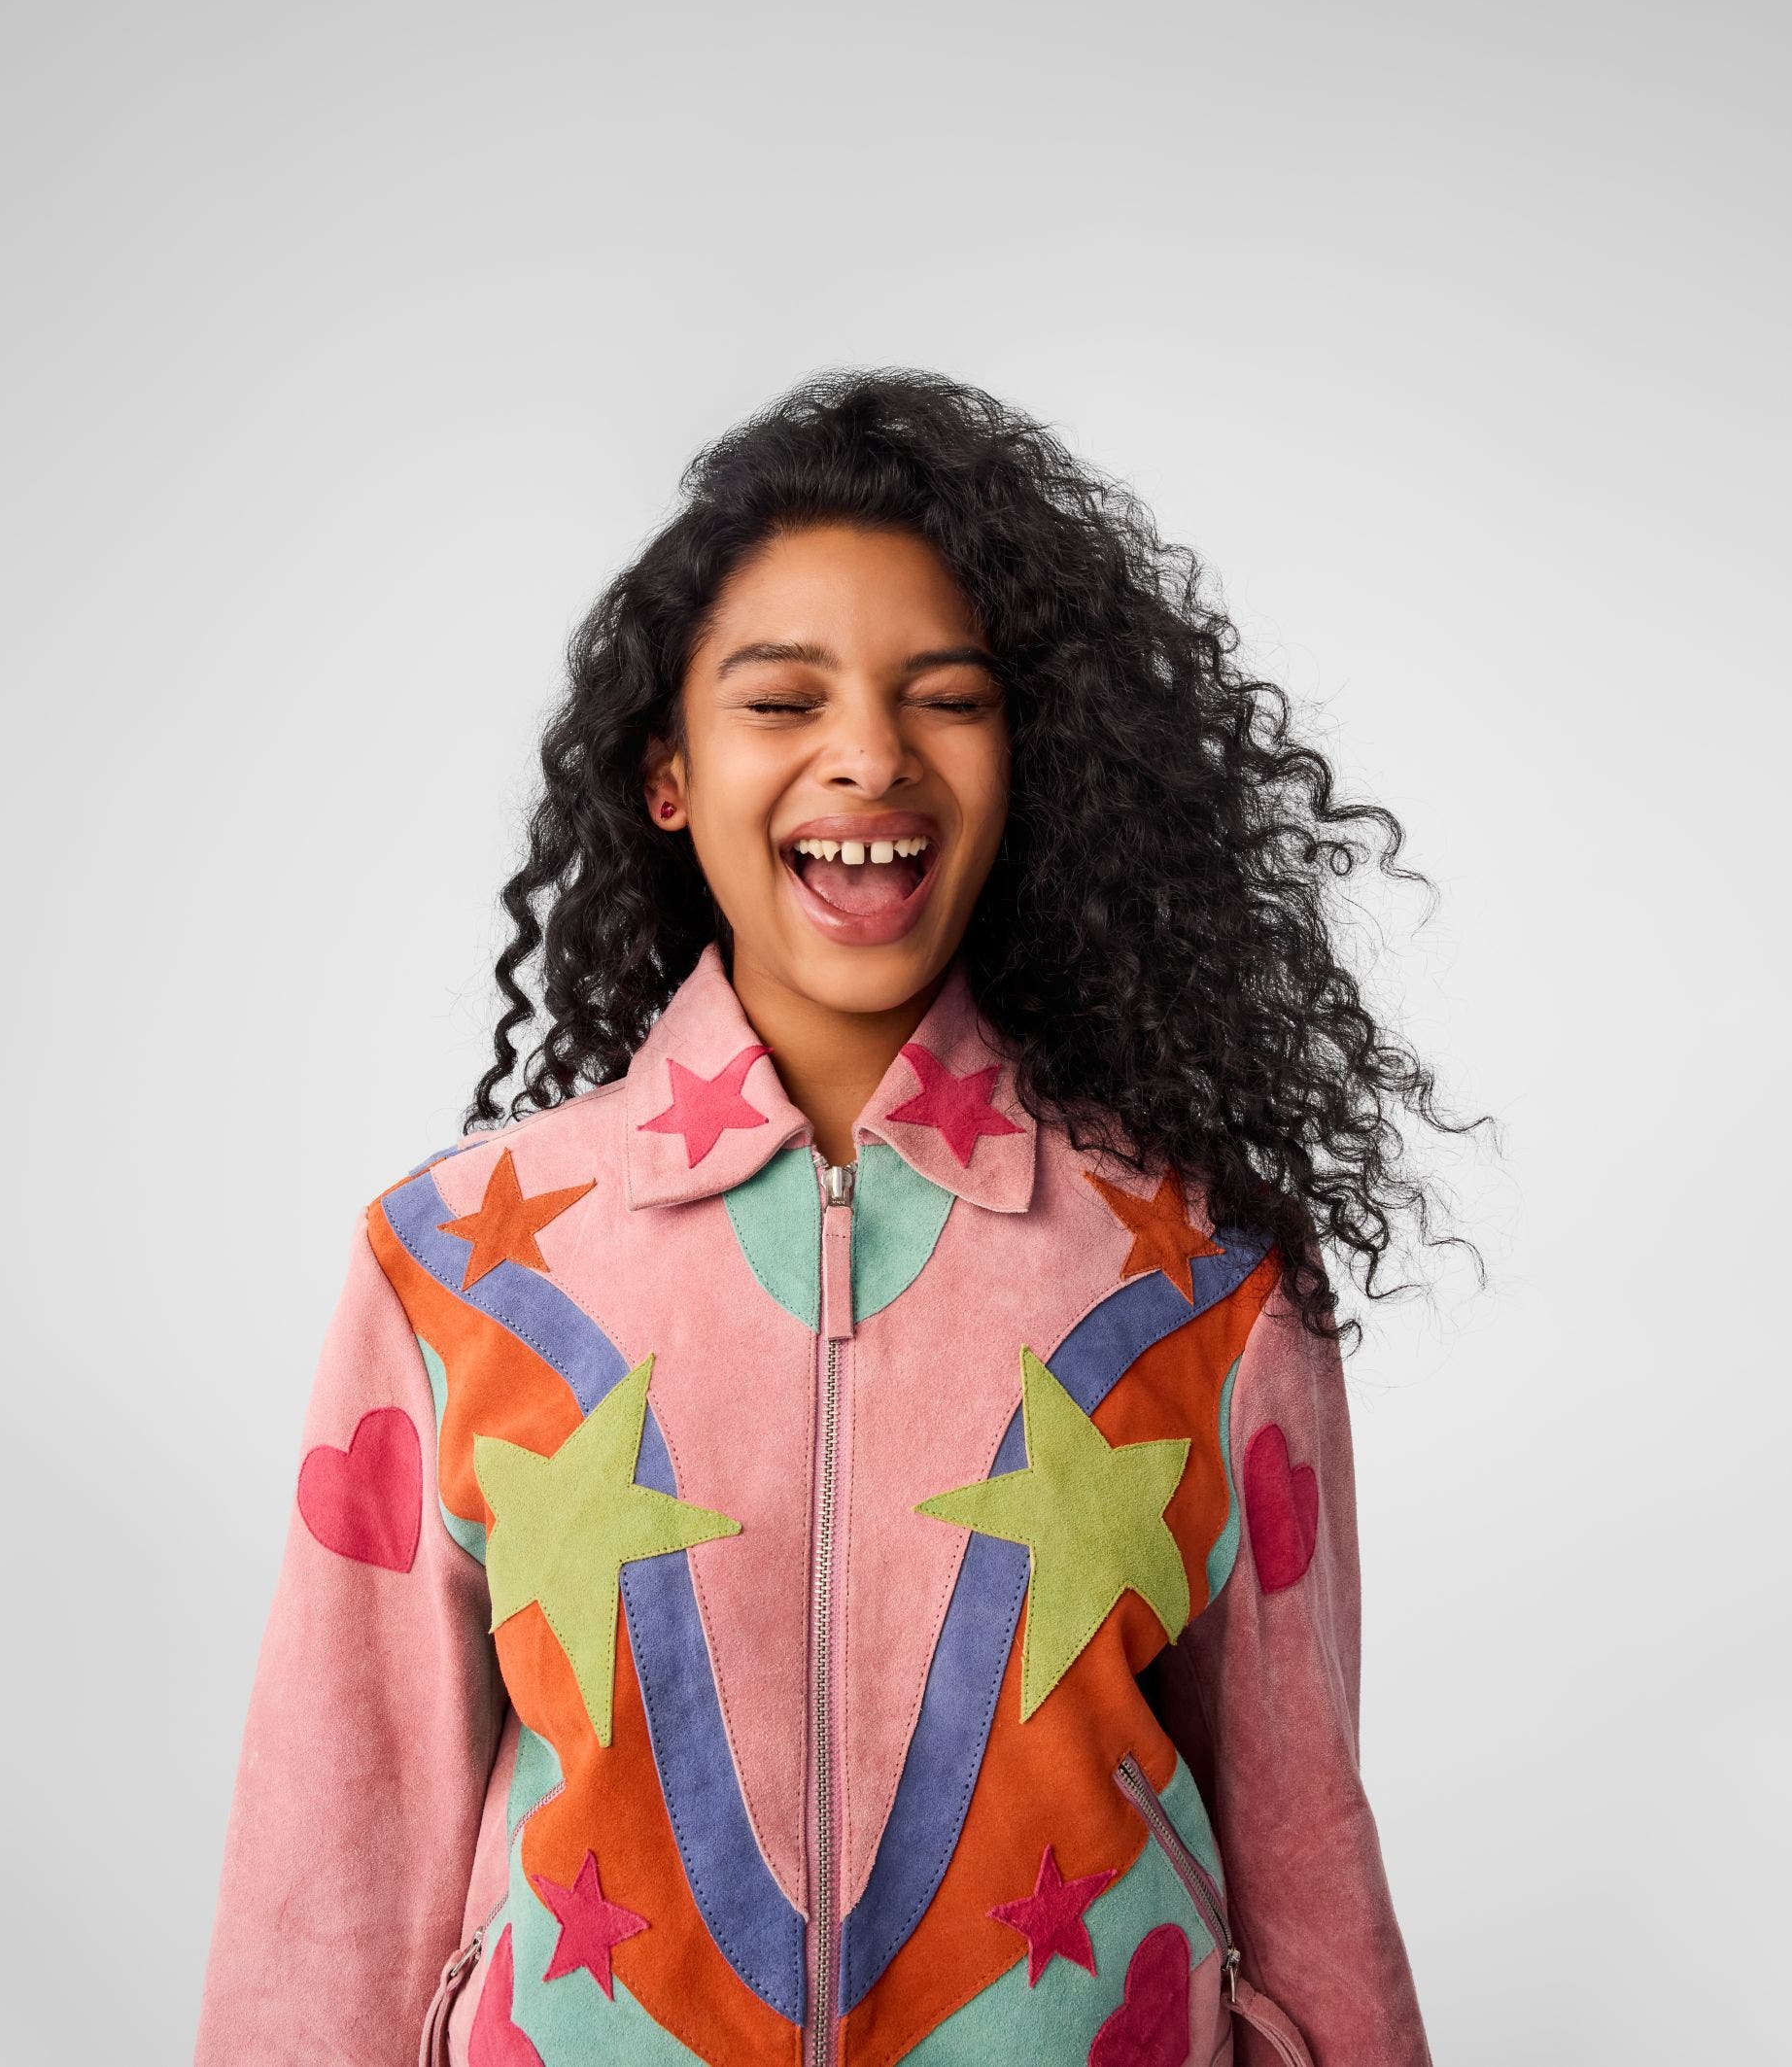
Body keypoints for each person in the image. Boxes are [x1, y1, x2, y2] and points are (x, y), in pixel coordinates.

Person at [193, 371, 1472, 2067]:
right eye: (781, 699)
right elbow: (330, 1859)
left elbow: (1308, 1844)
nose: (868, 753)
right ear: (667, 770)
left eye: (945, 698)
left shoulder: (1210, 1280)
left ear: (1031, 765)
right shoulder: (447, 1270)